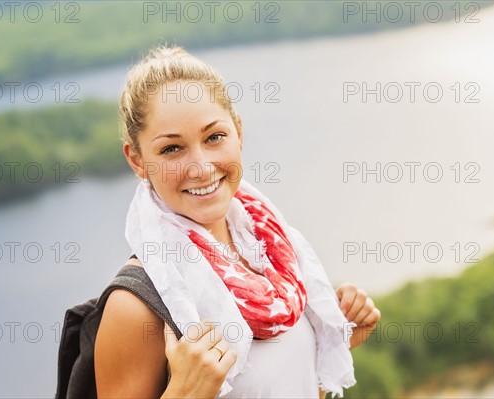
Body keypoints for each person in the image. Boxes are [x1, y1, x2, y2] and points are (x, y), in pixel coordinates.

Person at [94, 45, 381, 399]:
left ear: (238, 132)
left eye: (214, 137)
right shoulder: (135, 308)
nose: (201, 167)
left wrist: (334, 341)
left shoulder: (277, 252)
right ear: (137, 161)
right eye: (172, 149)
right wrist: (183, 393)